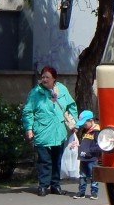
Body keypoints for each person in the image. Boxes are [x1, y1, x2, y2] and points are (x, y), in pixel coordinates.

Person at [21, 65, 76, 197]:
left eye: (47, 77)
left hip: (59, 131)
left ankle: (55, 185)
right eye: (43, 77)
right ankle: (43, 186)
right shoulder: (35, 92)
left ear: (54, 79)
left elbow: (71, 105)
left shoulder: (62, 89)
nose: (44, 80)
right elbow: (27, 111)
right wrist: (28, 128)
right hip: (42, 131)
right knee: (44, 160)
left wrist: (74, 122)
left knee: (57, 160)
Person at [74, 110, 101, 199]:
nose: (83, 125)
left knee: (93, 176)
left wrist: (89, 151)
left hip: (92, 158)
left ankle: (94, 192)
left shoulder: (97, 131)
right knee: (82, 175)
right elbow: (83, 143)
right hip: (83, 157)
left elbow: (99, 146)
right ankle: (81, 192)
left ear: (91, 120)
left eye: (85, 123)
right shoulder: (84, 131)